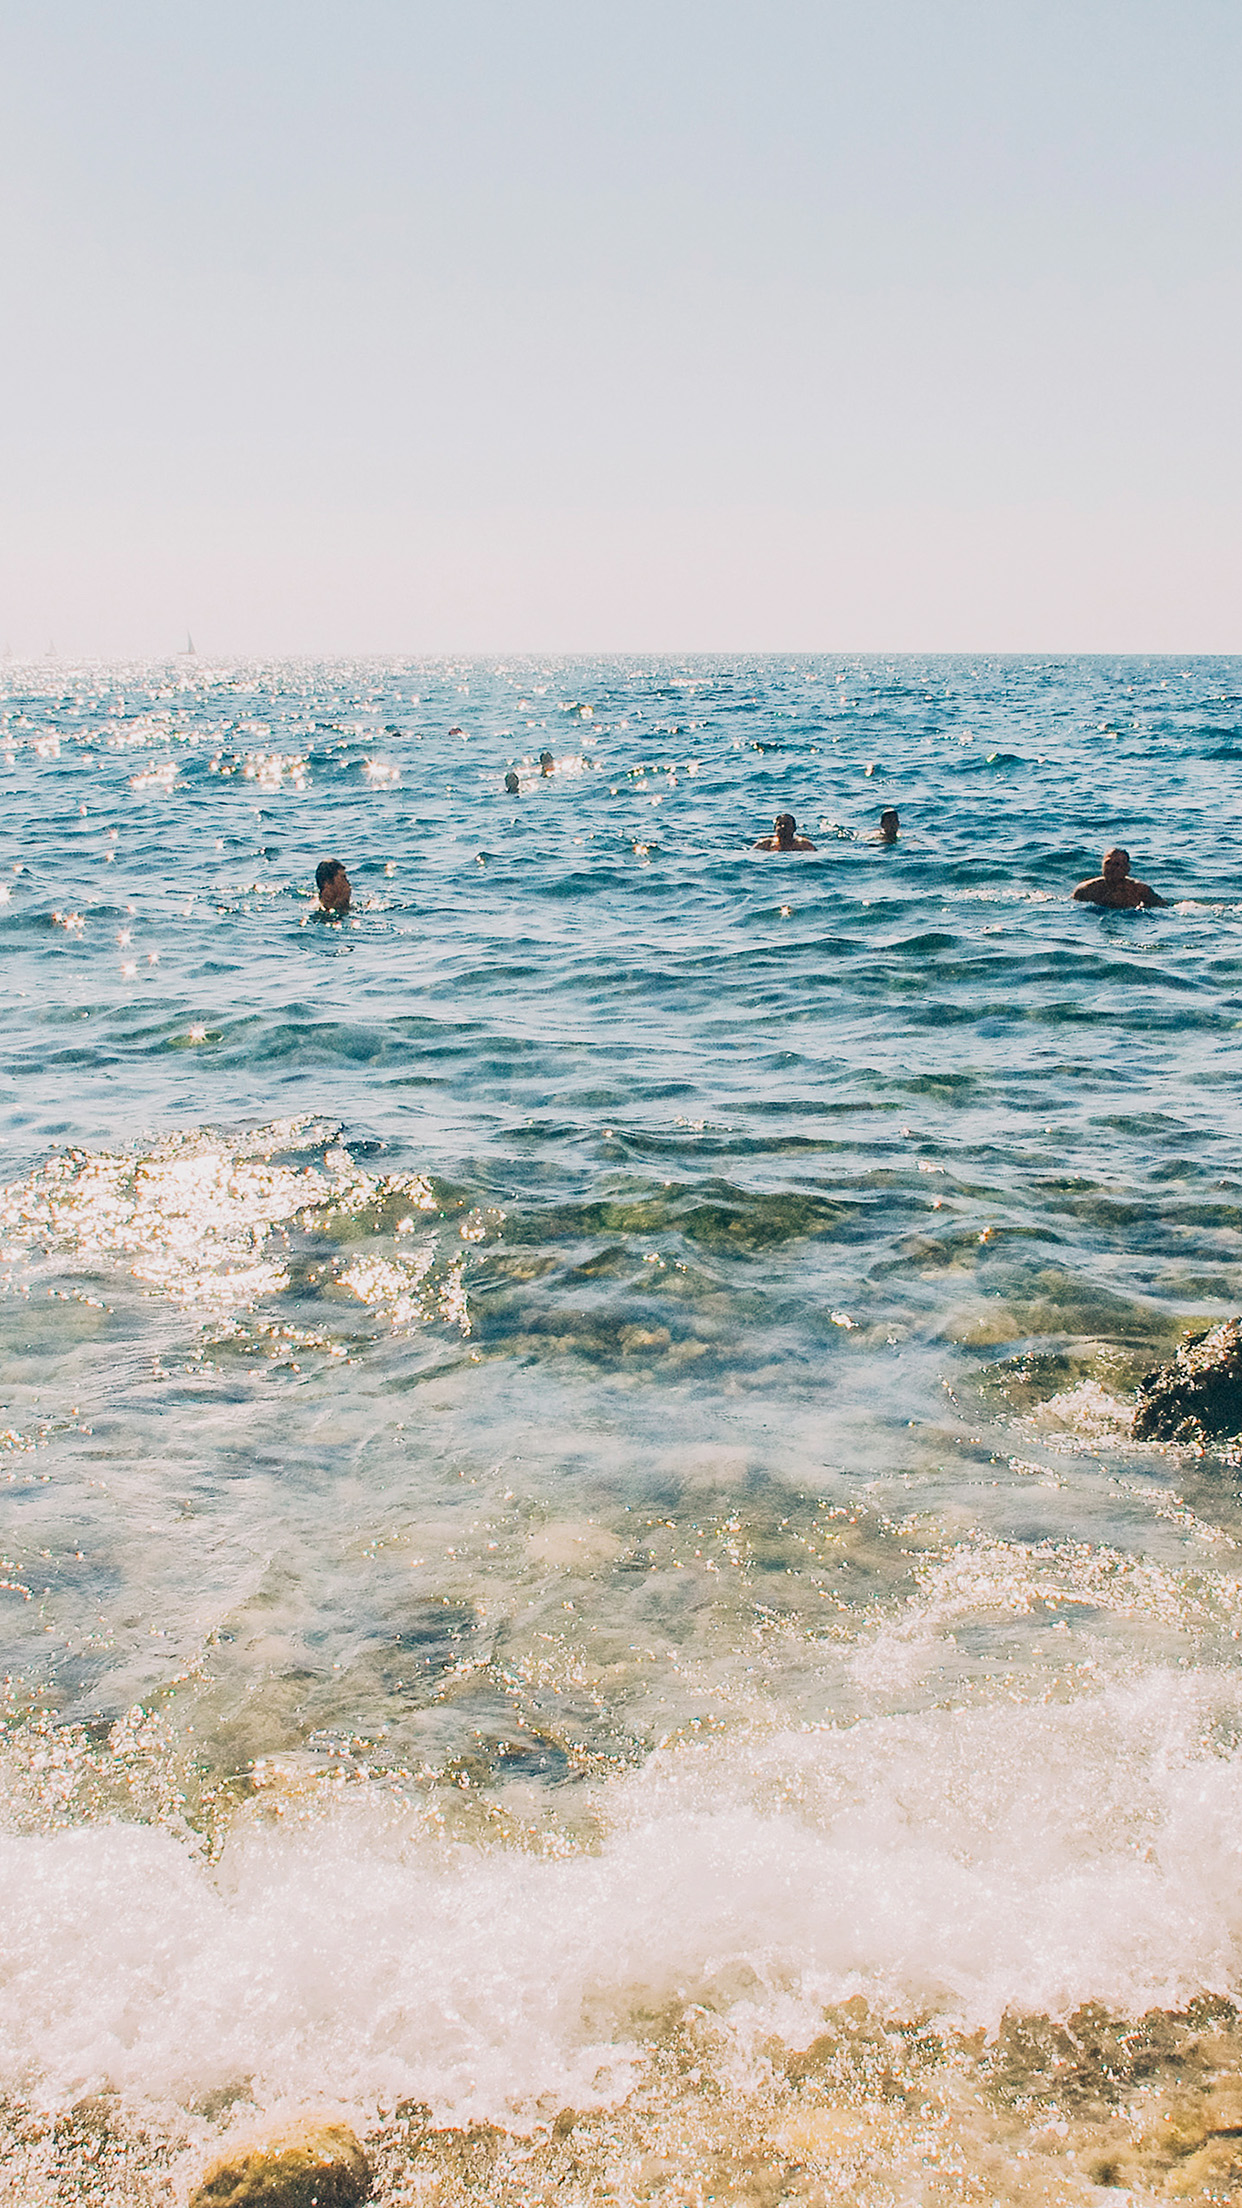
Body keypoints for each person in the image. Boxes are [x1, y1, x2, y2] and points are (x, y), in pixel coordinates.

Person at [1072, 847, 1167, 910]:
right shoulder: (1087, 889)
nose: (1111, 868)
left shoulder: (1139, 890)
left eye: (1117, 864)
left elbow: (1163, 907)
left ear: (1127, 869)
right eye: (1108, 863)